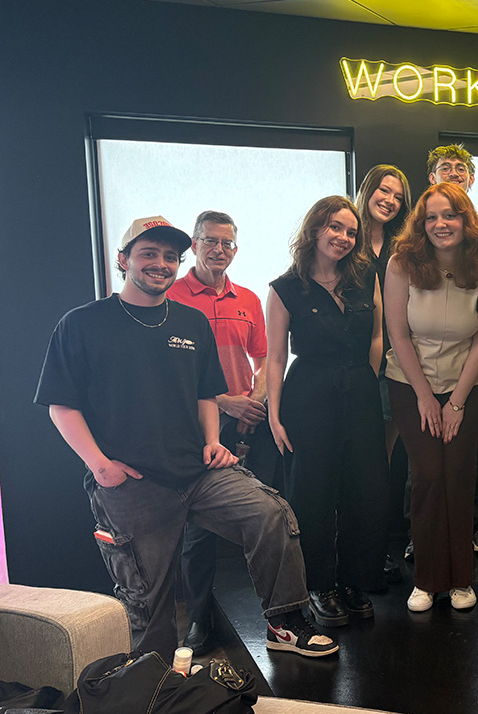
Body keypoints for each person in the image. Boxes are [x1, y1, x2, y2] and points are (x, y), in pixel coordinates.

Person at [35, 216, 336, 658]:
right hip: (132, 482)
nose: (160, 264)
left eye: (170, 256)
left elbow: (204, 394)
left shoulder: (191, 323)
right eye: (148, 254)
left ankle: (284, 623)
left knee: (271, 514)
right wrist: (100, 466)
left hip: (198, 470)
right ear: (123, 259)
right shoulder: (82, 323)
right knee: (148, 602)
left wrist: (213, 441)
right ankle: (153, 677)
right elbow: (61, 404)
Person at [266, 196, 389, 628]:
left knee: (365, 490)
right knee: (312, 493)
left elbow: (377, 336)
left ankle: (354, 579)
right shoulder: (285, 288)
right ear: (315, 228)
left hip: (360, 390)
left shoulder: (366, 276)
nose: (344, 237)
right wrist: (274, 415)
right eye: (336, 227)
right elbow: (275, 358)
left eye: (351, 232)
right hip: (309, 394)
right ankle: (319, 585)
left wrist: (365, 377)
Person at [166, 210, 281, 655]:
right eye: (210, 241)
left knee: (264, 514)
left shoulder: (248, 299)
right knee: (199, 528)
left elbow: (265, 360)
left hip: (246, 420)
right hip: (194, 427)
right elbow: (172, 375)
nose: (219, 249)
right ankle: (198, 617)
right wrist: (226, 402)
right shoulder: (171, 296)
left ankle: (273, 613)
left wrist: (252, 402)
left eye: (227, 243)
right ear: (194, 245)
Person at [385, 183, 478, 613]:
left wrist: (455, 402)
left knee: (459, 472)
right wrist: (424, 397)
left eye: (450, 215)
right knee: (429, 474)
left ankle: (460, 578)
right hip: (409, 382)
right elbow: (397, 334)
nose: (440, 224)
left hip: (468, 383)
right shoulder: (402, 264)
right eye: (431, 217)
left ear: (466, 220)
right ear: (421, 224)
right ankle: (427, 578)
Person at [426, 142, 478, 554]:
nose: (454, 173)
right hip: (424, 366)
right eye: (446, 167)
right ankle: (421, 530)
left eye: (461, 168)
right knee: (423, 457)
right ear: (432, 178)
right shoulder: (420, 233)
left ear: (471, 179)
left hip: (477, 362)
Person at [355, 165, 415, 580]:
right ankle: (355, 546)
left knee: (385, 458)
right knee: (356, 455)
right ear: (367, 190)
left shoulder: (404, 245)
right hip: (352, 359)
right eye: (383, 190)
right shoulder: (345, 235)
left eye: (397, 195)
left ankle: (378, 547)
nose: (389, 200)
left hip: (395, 358)